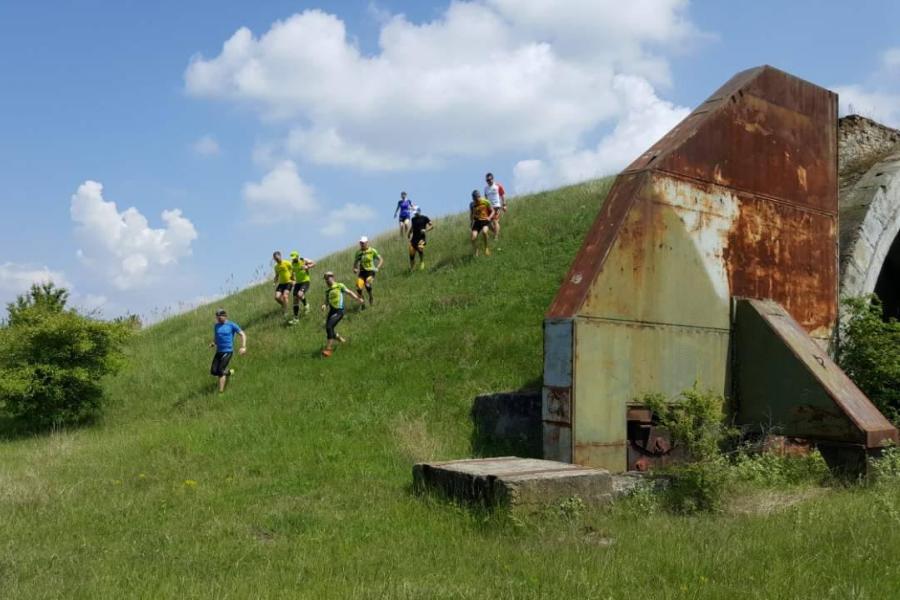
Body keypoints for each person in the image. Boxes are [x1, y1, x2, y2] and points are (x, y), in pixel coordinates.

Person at [321, 271, 363, 357]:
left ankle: (328, 349)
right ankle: (342, 340)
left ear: (332, 277)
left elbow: (349, 292)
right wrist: (324, 305)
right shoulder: (328, 291)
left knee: (329, 327)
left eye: (327, 278)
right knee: (329, 329)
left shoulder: (339, 286)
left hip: (339, 311)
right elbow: (326, 301)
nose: (326, 280)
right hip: (331, 311)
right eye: (325, 279)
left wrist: (358, 299)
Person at [209, 308, 247, 393]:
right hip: (219, 351)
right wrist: (214, 343)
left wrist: (243, 347)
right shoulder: (216, 326)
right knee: (213, 371)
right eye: (217, 317)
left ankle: (221, 392)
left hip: (227, 351)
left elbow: (243, 334)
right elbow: (217, 337)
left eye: (220, 317)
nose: (218, 319)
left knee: (220, 371)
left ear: (225, 316)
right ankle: (229, 372)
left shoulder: (231, 325)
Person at [353, 236, 383, 309]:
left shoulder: (372, 251)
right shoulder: (358, 253)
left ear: (367, 243)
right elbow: (355, 263)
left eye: (363, 243)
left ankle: (371, 296)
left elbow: (381, 259)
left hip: (370, 272)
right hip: (362, 273)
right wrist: (355, 269)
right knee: (359, 287)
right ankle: (362, 303)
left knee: (367, 284)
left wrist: (377, 268)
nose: (362, 244)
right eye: (361, 243)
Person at [289, 250, 316, 323]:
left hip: (305, 281)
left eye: (294, 257)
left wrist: (307, 266)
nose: (293, 259)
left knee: (299, 294)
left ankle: (306, 305)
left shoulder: (303, 260)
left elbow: (314, 263)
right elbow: (291, 275)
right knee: (295, 299)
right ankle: (296, 318)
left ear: (297, 256)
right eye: (292, 258)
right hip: (297, 283)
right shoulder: (292, 264)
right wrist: (292, 280)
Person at [469, 190, 494, 256]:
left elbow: (493, 211)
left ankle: (486, 248)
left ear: (479, 196)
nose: (476, 200)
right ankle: (476, 250)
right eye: (474, 199)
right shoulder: (472, 204)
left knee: (484, 232)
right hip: (477, 222)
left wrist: (489, 218)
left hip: (485, 221)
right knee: (473, 238)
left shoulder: (486, 201)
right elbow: (471, 214)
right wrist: (471, 222)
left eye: (477, 198)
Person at [408, 205, 433, 270]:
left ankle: (422, 262)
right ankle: (412, 269)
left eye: (416, 213)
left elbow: (431, 226)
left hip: (422, 238)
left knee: (420, 248)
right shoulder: (413, 219)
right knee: (411, 254)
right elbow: (412, 227)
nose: (415, 214)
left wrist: (425, 230)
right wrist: (409, 233)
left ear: (419, 211)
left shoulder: (424, 218)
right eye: (414, 213)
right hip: (414, 239)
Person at [272, 250, 294, 321]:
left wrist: (294, 280)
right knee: (277, 297)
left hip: (288, 282)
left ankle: (286, 311)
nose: (276, 259)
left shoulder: (287, 263)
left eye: (277, 258)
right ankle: (284, 304)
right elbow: (277, 275)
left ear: (280, 256)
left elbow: (293, 270)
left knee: (285, 296)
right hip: (281, 284)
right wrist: (275, 281)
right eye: (275, 258)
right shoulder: (276, 267)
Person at [484, 172, 507, 239]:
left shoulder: (498, 186)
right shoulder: (485, 189)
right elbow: (486, 199)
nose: (489, 181)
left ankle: (496, 238)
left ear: (493, 179)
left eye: (490, 179)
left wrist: (504, 205)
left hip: (497, 206)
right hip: (489, 208)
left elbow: (503, 195)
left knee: (495, 221)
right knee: (487, 223)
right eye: (487, 180)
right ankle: (496, 232)